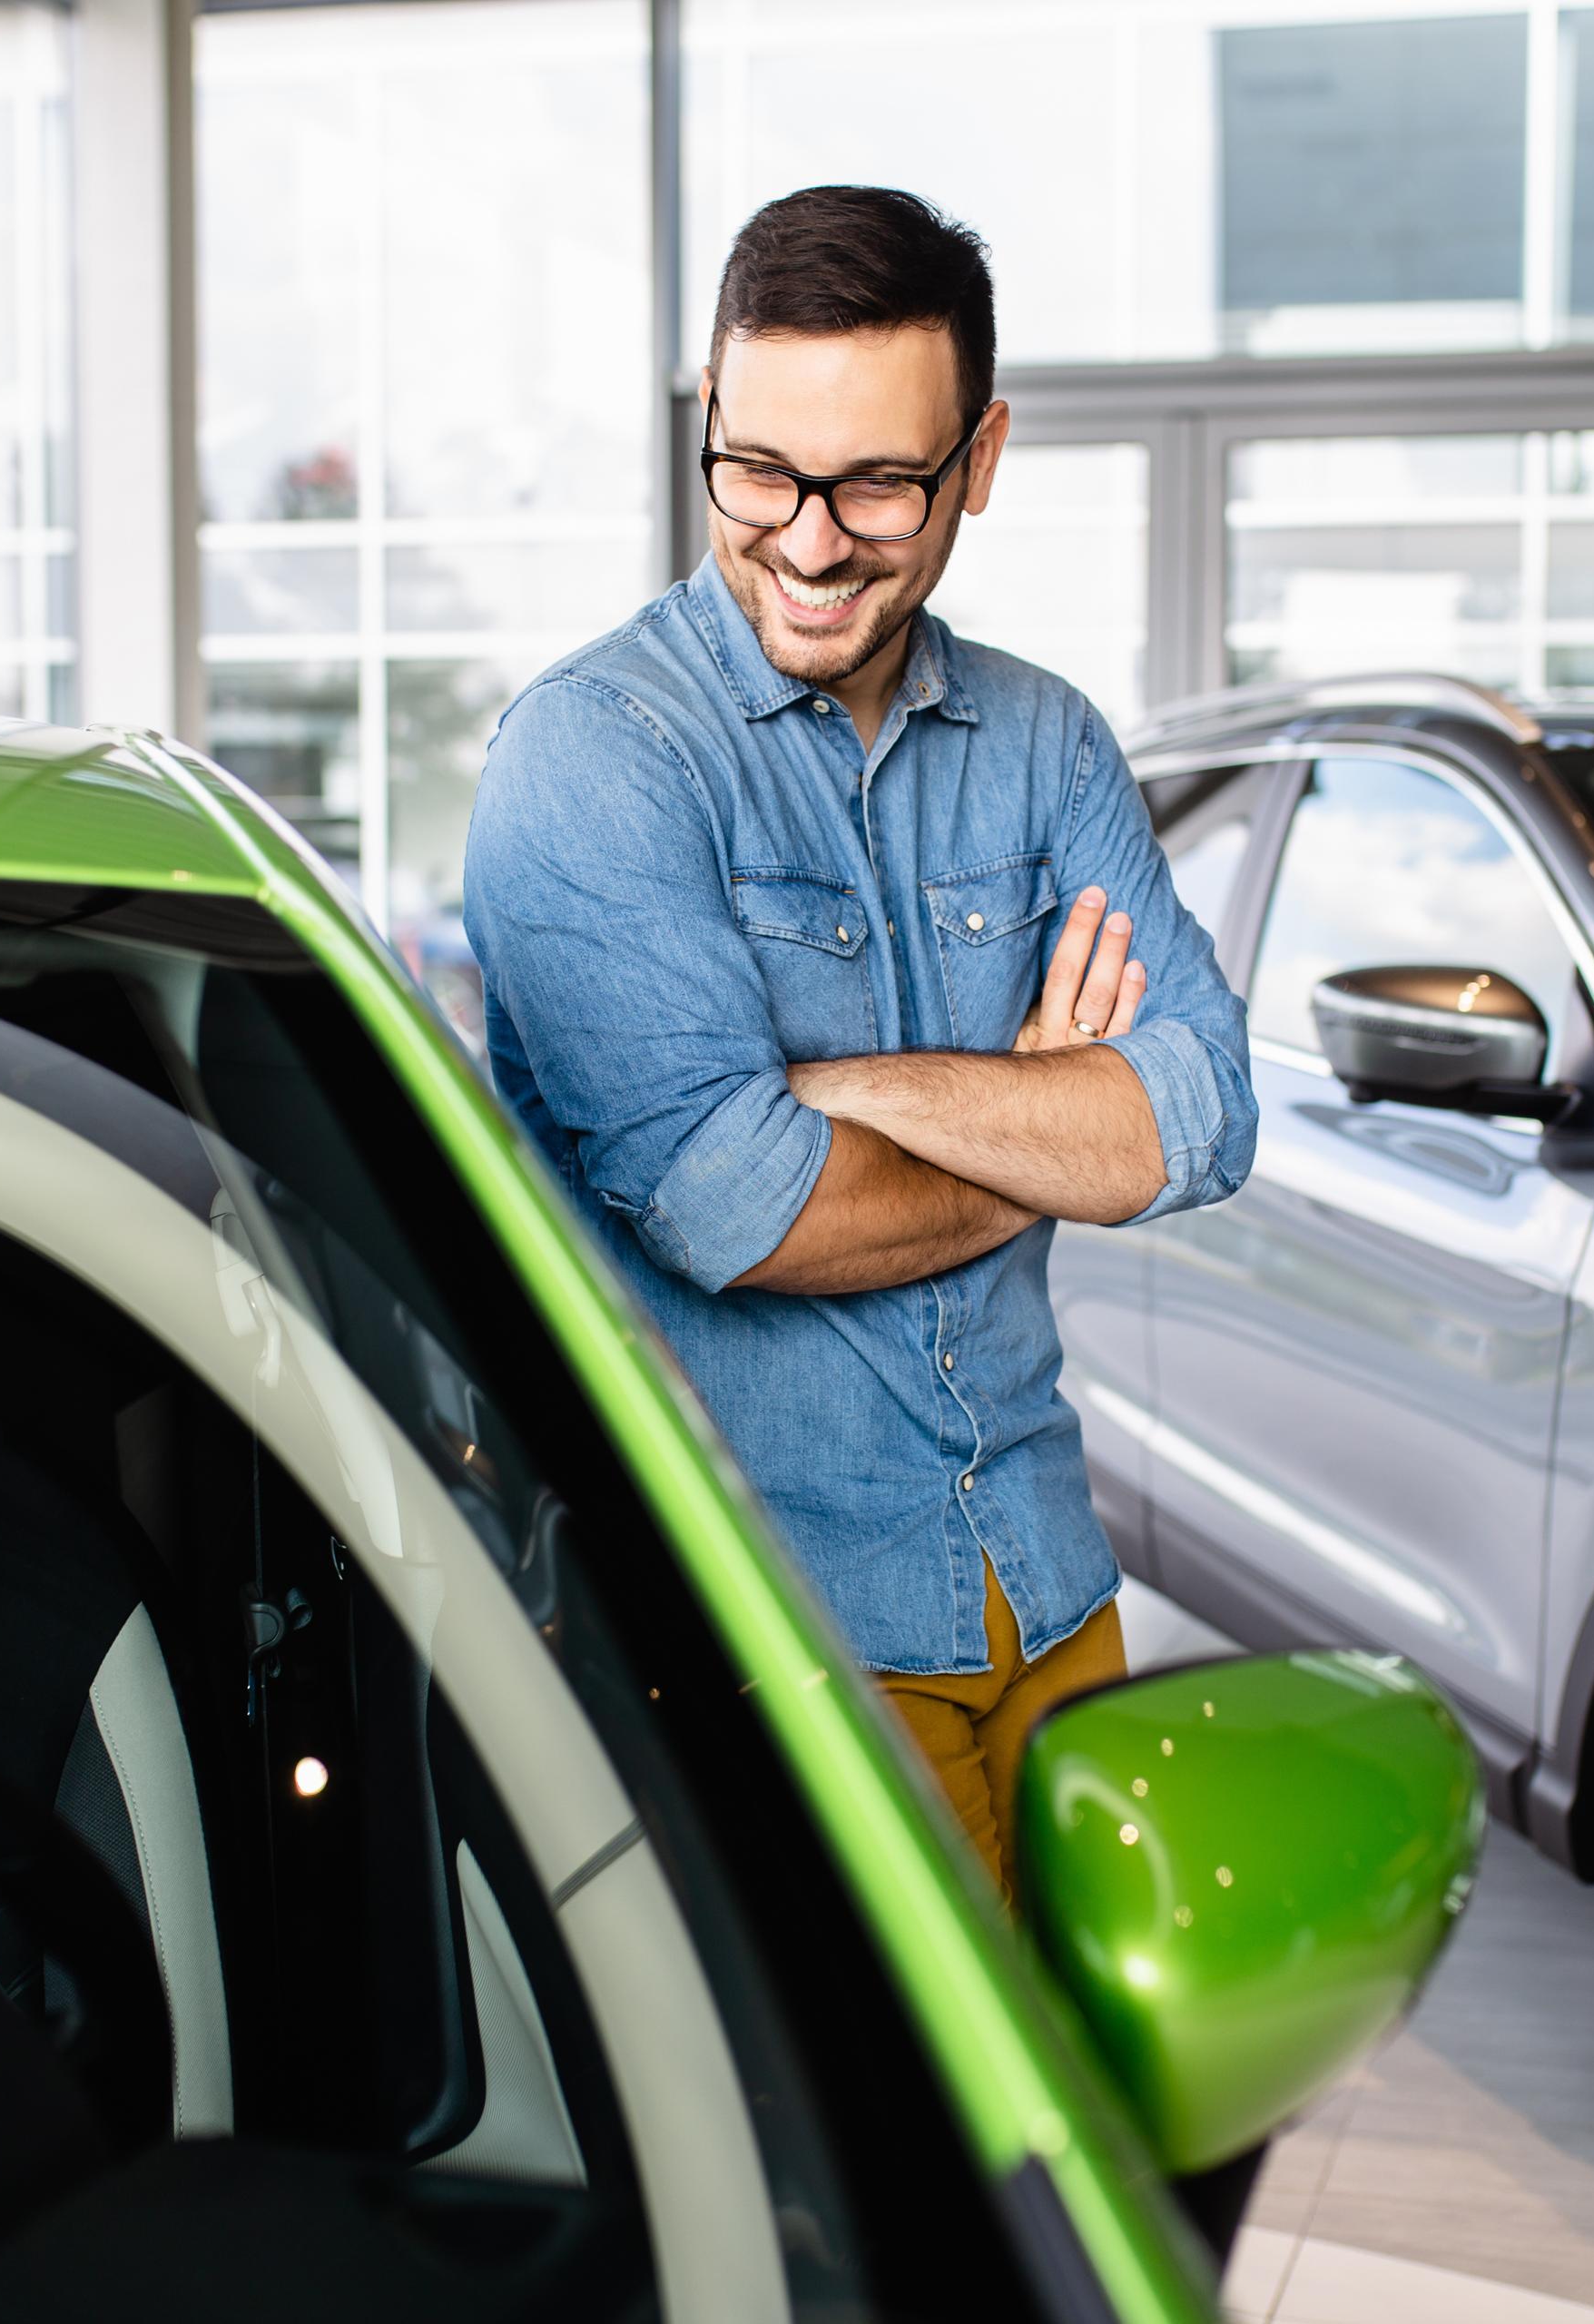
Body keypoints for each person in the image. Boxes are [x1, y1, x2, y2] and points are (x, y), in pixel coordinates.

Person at [462, 186, 1257, 1898]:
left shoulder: (1044, 744)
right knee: (941, 2154)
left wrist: (849, 1096)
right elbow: (732, 1210)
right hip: (762, 1624)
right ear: (710, 425)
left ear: (980, 458)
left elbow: (1199, 1113)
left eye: (880, 483)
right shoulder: (594, 757)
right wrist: (1046, 1127)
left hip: (1042, 1583)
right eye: (759, 472)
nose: (810, 542)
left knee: (1091, 2103)